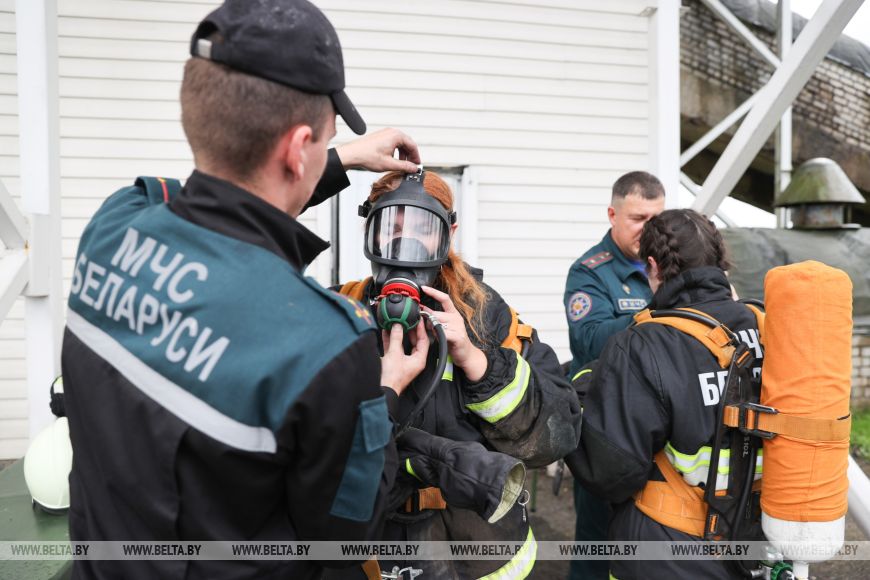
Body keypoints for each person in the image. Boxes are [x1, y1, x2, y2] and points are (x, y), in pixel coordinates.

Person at [61, 1, 428, 579]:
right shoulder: (326, 346)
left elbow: (220, 208)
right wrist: (385, 392)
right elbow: (344, 538)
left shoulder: (115, 222)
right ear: (297, 149)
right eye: (326, 139)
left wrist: (335, 159)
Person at [332, 170, 582, 579]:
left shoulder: (486, 315)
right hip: (369, 548)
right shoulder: (342, 310)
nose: (404, 245)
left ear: (448, 234)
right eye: (391, 229)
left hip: (474, 553)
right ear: (369, 232)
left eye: (422, 230)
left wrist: (477, 361)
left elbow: (556, 435)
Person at [570, 209, 765, 580]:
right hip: (759, 543)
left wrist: (579, 399)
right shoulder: (764, 324)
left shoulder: (643, 344)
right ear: (720, 262)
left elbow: (612, 473)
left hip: (669, 553)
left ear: (653, 266)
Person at [562, 171, 665, 580]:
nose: (648, 229)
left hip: (657, 424)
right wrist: (657, 312)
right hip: (604, 429)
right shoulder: (590, 272)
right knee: (598, 540)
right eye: (638, 218)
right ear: (613, 214)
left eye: (656, 219)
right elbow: (589, 340)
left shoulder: (669, 265)